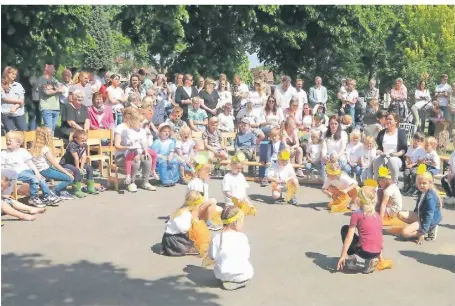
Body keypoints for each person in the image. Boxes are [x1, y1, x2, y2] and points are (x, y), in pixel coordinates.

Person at [1, 131, 60, 207]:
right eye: (7, 140)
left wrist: (37, 173)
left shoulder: (23, 151)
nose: (8, 142)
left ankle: (47, 195)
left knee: (40, 178)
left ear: (18, 143)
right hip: (16, 172)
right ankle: (33, 197)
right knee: (34, 179)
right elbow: (1, 166)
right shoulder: (4, 153)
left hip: (27, 171)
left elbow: (30, 163)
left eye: (10, 140)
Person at [337, 186, 383, 274]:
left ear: (360, 200)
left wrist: (343, 256)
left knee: (345, 229)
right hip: (377, 251)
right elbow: (378, 235)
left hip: (364, 252)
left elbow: (349, 237)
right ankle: (370, 261)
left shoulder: (357, 214)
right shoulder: (377, 215)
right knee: (371, 236)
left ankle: (352, 260)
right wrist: (380, 256)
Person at [209, 206, 253, 291]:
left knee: (219, 264)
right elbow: (247, 255)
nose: (243, 223)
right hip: (243, 274)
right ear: (235, 222)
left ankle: (227, 280)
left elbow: (212, 256)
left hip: (222, 275)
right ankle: (238, 282)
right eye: (242, 221)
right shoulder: (242, 237)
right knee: (248, 271)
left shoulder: (217, 238)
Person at [161, 190, 217, 256]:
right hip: (175, 240)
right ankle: (188, 248)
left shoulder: (181, 210)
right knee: (197, 227)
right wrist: (194, 225)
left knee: (196, 226)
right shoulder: (186, 214)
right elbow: (184, 229)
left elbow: (167, 226)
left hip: (168, 237)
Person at [114, 107, 157, 188]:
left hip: (137, 152)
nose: (131, 115)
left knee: (147, 157)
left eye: (134, 113)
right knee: (136, 159)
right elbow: (117, 145)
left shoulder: (138, 127)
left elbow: (142, 141)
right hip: (122, 155)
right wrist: (128, 147)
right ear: (125, 115)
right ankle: (131, 183)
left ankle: (145, 182)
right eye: (129, 113)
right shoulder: (120, 127)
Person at [398, 169, 442, 243]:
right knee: (400, 214)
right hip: (421, 216)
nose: (421, 185)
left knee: (404, 233)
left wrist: (422, 232)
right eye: (419, 183)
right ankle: (420, 227)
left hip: (429, 220)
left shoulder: (430, 197)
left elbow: (429, 215)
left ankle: (428, 229)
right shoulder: (422, 191)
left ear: (430, 183)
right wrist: (414, 215)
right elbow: (418, 207)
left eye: (424, 183)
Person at [30, 127, 75, 200]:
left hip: (40, 170)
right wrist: (67, 173)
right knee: (69, 178)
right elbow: (55, 164)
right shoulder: (45, 149)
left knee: (69, 171)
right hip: (45, 170)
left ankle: (62, 192)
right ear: (47, 136)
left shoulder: (34, 147)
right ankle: (55, 191)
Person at [59, 130, 99, 197]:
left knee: (89, 168)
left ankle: (90, 187)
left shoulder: (84, 145)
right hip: (66, 163)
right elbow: (76, 158)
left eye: (85, 140)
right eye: (82, 140)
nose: (84, 142)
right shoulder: (72, 145)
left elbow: (83, 157)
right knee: (76, 170)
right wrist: (78, 168)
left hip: (75, 162)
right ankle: (77, 189)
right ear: (75, 139)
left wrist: (82, 167)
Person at [373, 112, 407, 184]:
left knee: (392, 160)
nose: (388, 121)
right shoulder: (382, 132)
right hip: (384, 156)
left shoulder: (401, 132)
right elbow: (378, 148)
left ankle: (394, 183)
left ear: (396, 121)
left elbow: (404, 149)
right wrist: (379, 152)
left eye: (390, 119)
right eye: (387, 119)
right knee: (377, 160)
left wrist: (396, 154)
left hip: (397, 158)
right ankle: (377, 182)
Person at [187, 163, 223, 231]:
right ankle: (208, 223)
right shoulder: (195, 183)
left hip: (200, 206)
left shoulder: (203, 182)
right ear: (198, 172)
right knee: (213, 201)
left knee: (219, 209)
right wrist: (209, 202)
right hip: (195, 208)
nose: (209, 173)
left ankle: (205, 218)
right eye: (207, 171)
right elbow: (195, 201)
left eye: (210, 171)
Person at [37, 63, 65, 133]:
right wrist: (56, 90)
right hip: (46, 108)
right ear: (47, 68)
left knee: (53, 129)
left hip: (56, 108)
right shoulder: (41, 79)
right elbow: (46, 92)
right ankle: (48, 143)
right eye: (53, 68)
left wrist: (52, 89)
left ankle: (50, 142)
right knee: (48, 129)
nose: (55, 70)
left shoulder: (54, 80)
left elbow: (63, 90)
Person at [1, 66, 27, 132]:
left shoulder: (18, 85)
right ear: (7, 73)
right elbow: (3, 98)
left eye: (15, 74)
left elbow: (22, 98)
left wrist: (15, 106)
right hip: (6, 114)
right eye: (13, 74)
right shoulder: (1, 85)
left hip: (19, 114)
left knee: (24, 133)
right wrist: (19, 101)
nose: (14, 76)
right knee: (11, 135)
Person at [441, 134, 455, 206]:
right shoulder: (453, 153)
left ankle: (453, 197)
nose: (454, 142)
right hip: (453, 174)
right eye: (453, 140)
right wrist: (450, 173)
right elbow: (450, 165)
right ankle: (450, 196)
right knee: (444, 179)